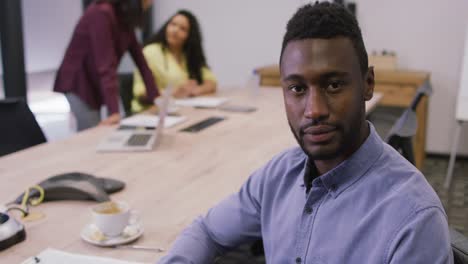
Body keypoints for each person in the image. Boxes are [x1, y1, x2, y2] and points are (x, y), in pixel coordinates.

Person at [158, 2, 453, 264]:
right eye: (297, 89)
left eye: (333, 85)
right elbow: (208, 231)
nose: (314, 110)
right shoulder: (278, 176)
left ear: (368, 83)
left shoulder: (414, 220)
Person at [54, 0, 159, 131]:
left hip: (94, 80)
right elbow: (106, 65)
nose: (150, 3)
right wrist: (114, 112)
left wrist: (155, 97)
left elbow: (141, 62)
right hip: (79, 82)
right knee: (93, 134)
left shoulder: (124, 18)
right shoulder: (101, 13)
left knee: (115, 130)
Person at [131, 10, 217, 113]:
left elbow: (211, 81)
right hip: (149, 113)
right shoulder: (150, 52)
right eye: (173, 24)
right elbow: (140, 93)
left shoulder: (189, 55)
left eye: (183, 29)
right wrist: (172, 93)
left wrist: (195, 91)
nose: (175, 30)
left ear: (189, 36)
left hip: (180, 111)